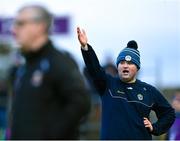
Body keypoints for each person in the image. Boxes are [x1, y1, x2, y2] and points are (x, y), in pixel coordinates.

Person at [77, 27, 175, 140]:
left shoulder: (148, 91)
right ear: (117, 66)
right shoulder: (108, 84)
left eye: (130, 63)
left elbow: (169, 113)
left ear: (137, 68)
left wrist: (155, 127)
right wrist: (85, 48)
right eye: (122, 62)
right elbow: (94, 68)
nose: (125, 65)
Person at [10, 5, 90, 139]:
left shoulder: (59, 61)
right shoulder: (25, 66)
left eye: (20, 23)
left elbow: (80, 103)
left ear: (40, 26)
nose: (14, 29)